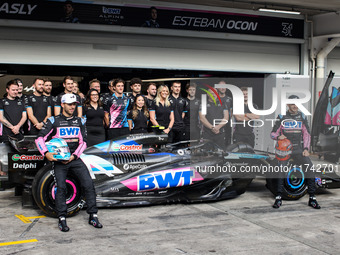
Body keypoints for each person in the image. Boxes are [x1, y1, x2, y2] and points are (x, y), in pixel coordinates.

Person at [35, 94, 102, 232]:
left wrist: (74, 156)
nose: (72, 106)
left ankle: (93, 216)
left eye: (74, 104)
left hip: (75, 159)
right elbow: (39, 138)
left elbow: (84, 142)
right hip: (60, 161)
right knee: (61, 188)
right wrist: (46, 153)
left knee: (88, 185)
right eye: (70, 104)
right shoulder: (53, 120)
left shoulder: (80, 121)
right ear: (63, 104)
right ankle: (62, 218)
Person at [271, 95, 320, 209]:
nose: (295, 106)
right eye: (292, 104)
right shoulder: (282, 116)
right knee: (280, 170)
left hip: (299, 150)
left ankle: (312, 197)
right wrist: (278, 137)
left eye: (297, 103)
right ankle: (278, 197)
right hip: (285, 151)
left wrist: (306, 149)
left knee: (310, 168)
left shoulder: (302, 116)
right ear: (287, 105)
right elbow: (272, 133)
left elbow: (307, 134)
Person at [217, 80, 233, 146]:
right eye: (221, 86)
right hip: (216, 125)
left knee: (227, 143)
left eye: (224, 86)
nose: (223, 88)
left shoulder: (230, 99)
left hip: (227, 125)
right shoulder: (214, 99)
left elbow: (231, 113)